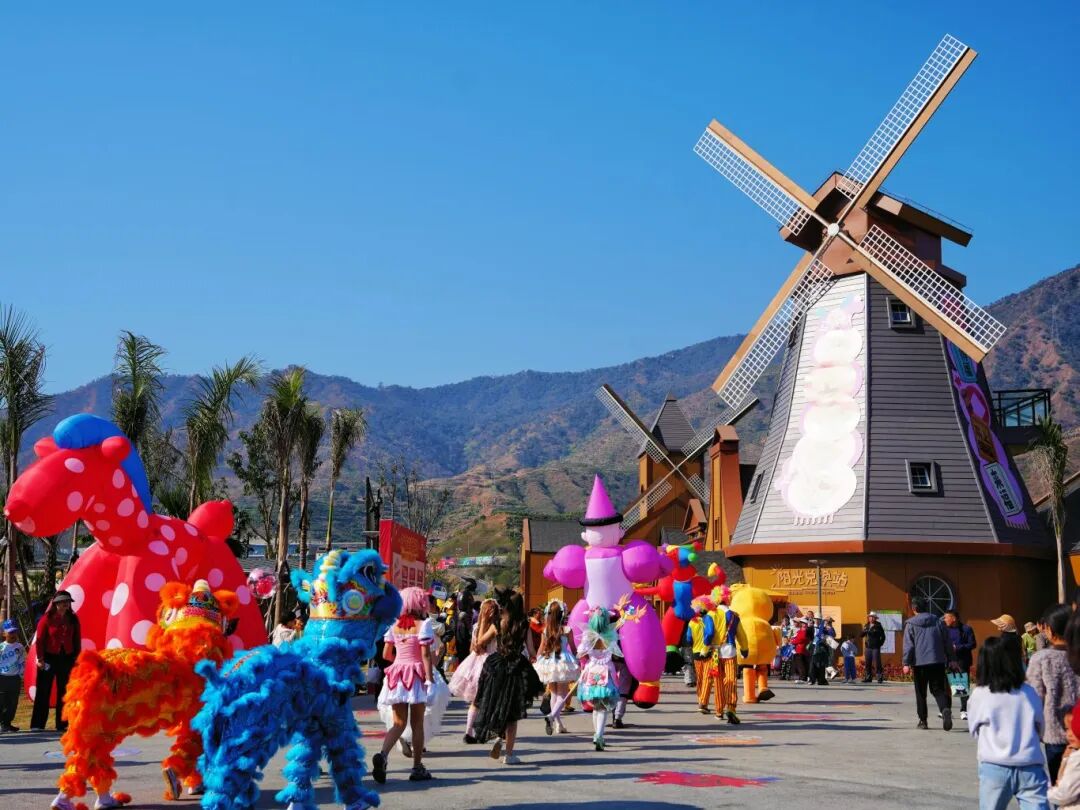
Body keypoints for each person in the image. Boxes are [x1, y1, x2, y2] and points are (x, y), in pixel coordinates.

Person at [967, 635, 1050, 809]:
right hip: (1030, 764)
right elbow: (1041, 727)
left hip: (994, 765)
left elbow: (974, 729)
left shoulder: (980, 694)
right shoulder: (1029, 692)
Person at [372, 586, 438, 784]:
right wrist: (430, 679)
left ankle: (383, 755)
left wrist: (400, 662)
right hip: (416, 676)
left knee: (398, 723)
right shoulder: (424, 625)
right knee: (417, 724)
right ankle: (417, 767)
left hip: (397, 675)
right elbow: (426, 655)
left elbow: (386, 654)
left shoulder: (394, 625)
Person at [471, 590, 543, 765]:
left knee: (497, 703)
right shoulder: (524, 625)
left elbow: (480, 642)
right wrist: (537, 658)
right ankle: (509, 754)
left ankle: (498, 736)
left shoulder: (498, 623)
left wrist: (483, 622)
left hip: (497, 667)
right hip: (517, 668)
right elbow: (532, 651)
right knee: (512, 712)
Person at [1026, 603, 1080, 785]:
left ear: (1048, 629)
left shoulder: (1042, 658)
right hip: (1078, 731)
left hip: (1055, 733)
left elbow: (1034, 698)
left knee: (1061, 785)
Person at [450, 597, 499, 743]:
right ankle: (489, 730)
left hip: (474, 664)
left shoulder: (476, 626)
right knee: (492, 700)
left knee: (476, 701)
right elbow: (482, 646)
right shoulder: (495, 627)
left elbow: (473, 648)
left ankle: (468, 731)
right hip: (491, 663)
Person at [30, 590, 80, 732]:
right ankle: (37, 724)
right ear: (56, 604)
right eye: (63, 602)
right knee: (43, 690)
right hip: (48, 658)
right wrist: (40, 659)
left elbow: (76, 640)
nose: (66, 605)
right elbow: (40, 640)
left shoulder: (73, 619)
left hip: (67, 658)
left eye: (68, 602)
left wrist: (77, 658)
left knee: (64, 691)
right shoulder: (46, 618)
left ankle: (62, 724)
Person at [902, 597, 952, 731]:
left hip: (920, 663)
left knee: (921, 692)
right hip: (937, 661)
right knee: (938, 689)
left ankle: (923, 721)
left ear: (914, 608)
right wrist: (952, 659)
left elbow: (909, 646)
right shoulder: (938, 621)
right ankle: (945, 709)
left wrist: (906, 663)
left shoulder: (911, 624)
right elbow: (947, 642)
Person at [577, 608, 621, 751]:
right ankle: (599, 736)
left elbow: (580, 654)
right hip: (607, 672)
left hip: (591, 671)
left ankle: (597, 735)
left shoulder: (587, 635)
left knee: (596, 707)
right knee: (602, 708)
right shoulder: (611, 634)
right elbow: (616, 655)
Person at [534, 599, 579, 735]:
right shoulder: (567, 630)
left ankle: (558, 725)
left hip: (549, 661)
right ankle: (552, 717)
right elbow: (573, 648)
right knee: (562, 695)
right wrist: (579, 659)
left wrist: (537, 661)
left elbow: (541, 648)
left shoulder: (545, 630)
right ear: (562, 614)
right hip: (563, 661)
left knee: (554, 694)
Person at [703, 587, 741, 724]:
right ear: (727, 598)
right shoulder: (735, 615)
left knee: (718, 682)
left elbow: (709, 634)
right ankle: (731, 707)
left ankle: (719, 711)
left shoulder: (710, 614)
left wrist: (705, 648)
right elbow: (741, 634)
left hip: (715, 653)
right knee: (731, 680)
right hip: (730, 651)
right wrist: (745, 649)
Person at [943, 609, 977, 720]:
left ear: (953, 618)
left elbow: (972, 644)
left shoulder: (966, 629)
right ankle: (947, 710)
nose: (944, 619)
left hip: (962, 661)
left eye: (946, 617)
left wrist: (957, 647)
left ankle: (964, 710)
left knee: (962, 686)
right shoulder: (944, 629)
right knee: (946, 687)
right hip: (948, 661)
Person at [684, 596, 714, 712]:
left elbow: (688, 638)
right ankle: (703, 703)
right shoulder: (709, 620)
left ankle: (700, 700)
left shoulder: (692, 622)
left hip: (696, 653)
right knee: (707, 679)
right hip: (707, 652)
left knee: (700, 679)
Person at [1048, 707, 1080, 809]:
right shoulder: (1073, 754)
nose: (1069, 734)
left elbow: (1064, 795)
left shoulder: (1077, 759)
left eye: (1074, 728)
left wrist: (1048, 792)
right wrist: (1065, 759)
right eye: (1067, 729)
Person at [0, 619, 26, 733]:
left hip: (14, 678)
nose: (13, 634)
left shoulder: (19, 647)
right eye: (10, 632)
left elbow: (22, 661)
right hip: (2, 677)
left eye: (15, 631)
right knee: (2, 701)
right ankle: (2, 723)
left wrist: (21, 673)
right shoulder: (1, 647)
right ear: (4, 633)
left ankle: (7, 723)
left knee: (12, 703)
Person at [861, 611, 886, 683]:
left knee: (877, 663)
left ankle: (879, 677)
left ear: (875, 618)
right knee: (868, 663)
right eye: (870, 617)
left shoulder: (878, 626)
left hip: (875, 647)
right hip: (868, 647)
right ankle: (868, 677)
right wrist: (864, 631)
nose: (871, 618)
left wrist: (879, 644)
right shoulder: (866, 625)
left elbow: (883, 637)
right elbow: (861, 635)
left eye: (872, 617)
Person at [791, 617, 810, 683]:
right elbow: (796, 637)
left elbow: (801, 639)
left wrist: (793, 641)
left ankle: (803, 678)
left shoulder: (805, 631)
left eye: (804, 623)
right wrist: (793, 639)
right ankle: (804, 677)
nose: (802, 624)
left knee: (800, 665)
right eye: (802, 623)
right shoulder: (801, 630)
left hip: (801, 649)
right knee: (802, 664)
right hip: (800, 649)